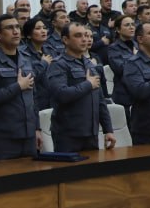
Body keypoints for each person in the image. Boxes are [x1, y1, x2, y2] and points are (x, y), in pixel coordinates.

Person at [0, 14, 40, 160]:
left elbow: (34, 98)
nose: (16, 31)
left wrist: (37, 128)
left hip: (29, 136)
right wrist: (18, 86)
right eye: (10, 28)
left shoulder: (26, 59)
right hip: (4, 138)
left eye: (17, 27)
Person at [46, 22, 116, 152]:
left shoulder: (89, 64)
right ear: (65, 40)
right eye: (78, 36)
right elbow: (61, 94)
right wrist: (88, 84)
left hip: (91, 132)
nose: (84, 39)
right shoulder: (58, 64)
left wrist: (108, 130)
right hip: (68, 134)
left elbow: (100, 101)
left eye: (85, 35)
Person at [108, 16, 139, 111]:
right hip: (124, 94)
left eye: (133, 24)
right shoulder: (113, 48)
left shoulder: (138, 45)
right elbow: (120, 69)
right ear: (118, 29)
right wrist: (135, 57)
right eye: (127, 25)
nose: (131, 27)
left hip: (139, 91)